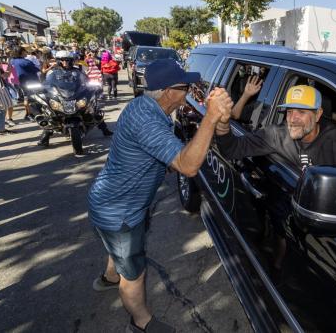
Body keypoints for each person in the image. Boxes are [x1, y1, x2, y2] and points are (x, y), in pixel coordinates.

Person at [88, 59, 232, 333]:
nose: (189, 90)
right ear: (169, 92)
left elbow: (158, 153)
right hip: (119, 211)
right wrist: (211, 117)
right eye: (185, 86)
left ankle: (108, 277)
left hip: (115, 202)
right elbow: (188, 166)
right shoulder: (147, 120)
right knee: (134, 272)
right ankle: (141, 324)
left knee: (118, 250)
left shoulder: (148, 108)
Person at [215, 85, 336, 272]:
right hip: (284, 206)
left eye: (301, 112)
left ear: (318, 114)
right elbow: (231, 149)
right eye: (289, 111)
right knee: (280, 251)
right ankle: (275, 271)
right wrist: (222, 124)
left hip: (321, 221)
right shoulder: (277, 134)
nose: (293, 119)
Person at [37, 51, 113, 147]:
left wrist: (91, 85)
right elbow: (47, 83)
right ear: (58, 61)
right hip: (60, 95)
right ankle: (45, 136)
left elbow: (85, 80)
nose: (65, 62)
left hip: (74, 94)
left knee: (92, 110)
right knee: (51, 114)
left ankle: (104, 129)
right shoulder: (52, 72)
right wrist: (43, 88)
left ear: (72, 61)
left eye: (68, 60)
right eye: (63, 60)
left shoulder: (77, 71)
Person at [10, 46, 40, 121]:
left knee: (26, 97)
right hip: (30, 82)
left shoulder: (12, 61)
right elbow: (37, 70)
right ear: (21, 52)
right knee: (30, 98)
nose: (26, 52)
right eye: (25, 51)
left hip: (20, 82)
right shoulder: (26, 62)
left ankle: (28, 114)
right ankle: (29, 114)